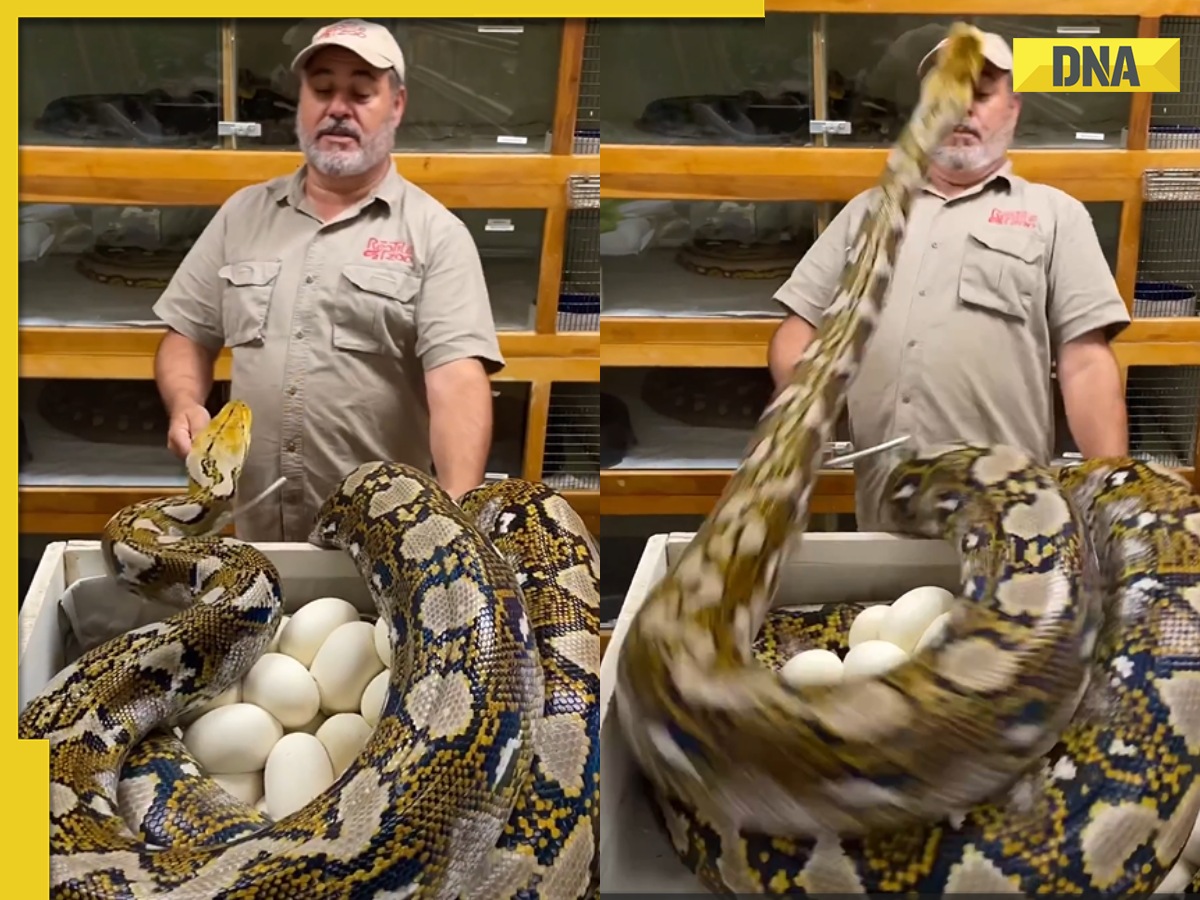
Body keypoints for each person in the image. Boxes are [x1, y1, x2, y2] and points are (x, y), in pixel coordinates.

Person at [152, 18, 503, 541]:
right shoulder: (243, 214)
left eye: (361, 92)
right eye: (322, 90)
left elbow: (456, 381)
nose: (339, 107)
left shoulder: (436, 234)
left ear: (397, 106)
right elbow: (188, 333)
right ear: (302, 102)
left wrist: (452, 525)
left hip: (382, 541)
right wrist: (184, 402)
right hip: (255, 532)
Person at [766, 31, 1130, 531]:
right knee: (889, 614)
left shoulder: (1055, 215)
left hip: (1012, 513)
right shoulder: (867, 214)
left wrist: (1110, 493)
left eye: (980, 94)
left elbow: (1087, 363)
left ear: (1013, 108)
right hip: (886, 505)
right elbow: (799, 328)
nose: (962, 111)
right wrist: (801, 418)